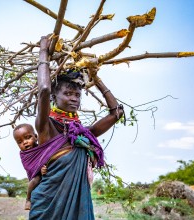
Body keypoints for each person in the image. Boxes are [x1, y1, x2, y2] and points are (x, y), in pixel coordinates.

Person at [20, 35, 124, 219]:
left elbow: (116, 113)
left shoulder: (83, 135)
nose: (74, 98)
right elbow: (44, 89)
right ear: (54, 96)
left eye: (77, 94)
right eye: (68, 93)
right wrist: (43, 50)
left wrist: (95, 76)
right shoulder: (46, 126)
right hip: (46, 208)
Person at [13, 123, 47, 210]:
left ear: (36, 137)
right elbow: (29, 167)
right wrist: (40, 170)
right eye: (20, 142)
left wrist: (44, 166)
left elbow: (47, 156)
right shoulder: (24, 155)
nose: (24, 142)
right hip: (35, 175)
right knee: (36, 179)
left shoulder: (42, 146)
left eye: (28, 137)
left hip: (47, 174)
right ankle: (28, 199)